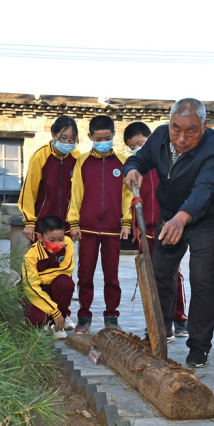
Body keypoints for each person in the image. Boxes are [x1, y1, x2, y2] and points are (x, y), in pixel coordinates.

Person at [123, 98, 214, 368]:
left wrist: (183, 217)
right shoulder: (158, 137)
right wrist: (131, 169)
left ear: (204, 125)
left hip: (203, 219)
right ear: (168, 123)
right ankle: (160, 330)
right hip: (170, 214)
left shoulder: (213, 148)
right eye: (175, 129)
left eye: (191, 130)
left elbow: (205, 188)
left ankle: (199, 346)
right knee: (161, 273)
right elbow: (137, 159)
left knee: (201, 281)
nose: (181, 138)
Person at [124, 122, 189, 340]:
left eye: (141, 144)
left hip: (166, 226)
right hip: (144, 229)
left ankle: (179, 318)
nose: (138, 149)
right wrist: (129, 223)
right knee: (150, 276)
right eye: (132, 147)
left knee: (171, 274)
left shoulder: (164, 161)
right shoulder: (134, 170)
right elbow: (128, 199)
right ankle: (157, 319)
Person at [68, 115, 131, 333]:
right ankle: (84, 316)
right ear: (90, 137)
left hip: (114, 229)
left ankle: (111, 316)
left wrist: (127, 222)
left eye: (107, 137)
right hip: (86, 229)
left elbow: (127, 196)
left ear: (114, 136)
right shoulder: (82, 162)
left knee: (111, 275)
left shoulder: (123, 162)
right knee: (85, 274)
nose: (103, 141)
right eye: (98, 138)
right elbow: (76, 194)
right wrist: (74, 222)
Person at [18, 115, 81, 242]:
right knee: (41, 260)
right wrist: (29, 222)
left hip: (66, 225)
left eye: (72, 139)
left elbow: (79, 192)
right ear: (53, 135)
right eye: (63, 138)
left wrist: (76, 222)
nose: (68, 143)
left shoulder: (77, 157)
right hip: (43, 223)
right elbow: (29, 190)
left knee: (63, 260)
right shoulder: (40, 156)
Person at [22, 216, 75, 339]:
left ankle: (56, 325)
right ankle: (50, 316)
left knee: (65, 282)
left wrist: (39, 277)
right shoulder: (31, 255)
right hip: (36, 293)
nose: (57, 244)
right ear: (40, 237)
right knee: (37, 321)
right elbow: (31, 287)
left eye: (60, 239)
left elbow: (66, 270)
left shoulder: (68, 244)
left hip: (55, 289)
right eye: (52, 240)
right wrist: (54, 311)